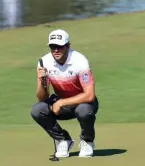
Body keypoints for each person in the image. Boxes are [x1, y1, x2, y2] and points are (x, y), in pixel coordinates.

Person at [31, 29, 99, 158]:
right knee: (37, 110)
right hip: (62, 105)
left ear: (68, 46)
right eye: (52, 46)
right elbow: (42, 98)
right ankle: (63, 140)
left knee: (84, 111)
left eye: (60, 46)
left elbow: (89, 95)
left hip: (83, 103)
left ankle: (87, 141)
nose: (56, 50)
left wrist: (61, 102)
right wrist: (41, 80)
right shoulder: (44, 62)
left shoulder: (80, 61)